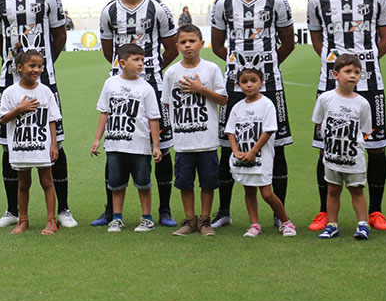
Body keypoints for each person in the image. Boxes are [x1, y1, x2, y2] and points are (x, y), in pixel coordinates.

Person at [307, 0, 386, 231]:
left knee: (376, 146)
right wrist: (339, 69)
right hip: (330, 86)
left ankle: (376, 211)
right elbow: (318, 42)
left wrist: (360, 67)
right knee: (325, 146)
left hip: (370, 85)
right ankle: (323, 212)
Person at [0, 0, 76, 229]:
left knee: (55, 143)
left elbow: (60, 35)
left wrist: (43, 66)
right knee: (8, 144)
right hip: (9, 83)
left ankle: (63, 209)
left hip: (44, 80)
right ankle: (12, 211)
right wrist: (14, 64)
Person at [210, 0, 295, 229]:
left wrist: (265, 70)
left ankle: (276, 213)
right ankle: (224, 211)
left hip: (271, 85)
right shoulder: (223, 4)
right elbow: (218, 44)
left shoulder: (276, 1)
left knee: (278, 145)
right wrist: (241, 72)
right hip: (234, 87)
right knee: (227, 145)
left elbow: (288, 42)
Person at [92, 0, 179, 227]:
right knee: (116, 144)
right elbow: (109, 50)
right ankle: (110, 211)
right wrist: (124, 75)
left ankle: (164, 210)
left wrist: (147, 70)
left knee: (161, 148)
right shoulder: (110, 10)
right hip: (119, 90)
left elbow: (172, 46)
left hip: (152, 85)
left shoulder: (159, 8)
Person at [90, 44, 162, 233]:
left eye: (142, 60)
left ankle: (147, 218)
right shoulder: (110, 84)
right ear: (122, 63)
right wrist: (98, 139)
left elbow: (154, 118)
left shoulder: (146, 88)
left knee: (143, 183)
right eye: (136, 60)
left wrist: (156, 145)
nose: (141, 64)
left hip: (139, 146)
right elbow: (104, 113)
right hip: (115, 144)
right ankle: (116, 218)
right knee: (116, 184)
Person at [165, 24, 226, 236]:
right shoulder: (172, 72)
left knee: (208, 181)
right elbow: (167, 103)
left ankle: (205, 220)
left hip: (207, 139)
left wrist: (201, 89)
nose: (188, 45)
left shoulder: (211, 69)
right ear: (177, 46)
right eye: (183, 42)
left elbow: (223, 99)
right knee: (185, 182)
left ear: (202, 43)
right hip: (183, 141)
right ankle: (190, 220)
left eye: (192, 41)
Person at [224, 67, 296, 237]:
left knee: (267, 193)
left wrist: (253, 151)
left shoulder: (266, 104)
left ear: (261, 82)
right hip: (243, 157)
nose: (249, 85)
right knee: (249, 190)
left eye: (253, 81)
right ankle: (254, 224)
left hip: (260, 157)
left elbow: (268, 131)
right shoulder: (237, 107)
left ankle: (285, 222)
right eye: (244, 82)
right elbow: (231, 131)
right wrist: (235, 151)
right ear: (238, 84)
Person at [0, 49, 60, 235]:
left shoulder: (45, 91)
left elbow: (52, 119)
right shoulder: (10, 92)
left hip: (41, 146)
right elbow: (3, 119)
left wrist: (54, 144)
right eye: (32, 65)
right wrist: (20, 108)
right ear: (19, 68)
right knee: (23, 184)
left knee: (47, 182)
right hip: (21, 147)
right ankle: (23, 220)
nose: (37, 69)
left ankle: (51, 221)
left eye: (40, 66)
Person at [312, 54, 372, 240]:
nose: (353, 75)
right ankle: (332, 225)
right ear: (335, 74)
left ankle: (363, 225)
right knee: (332, 190)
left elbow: (365, 131)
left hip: (354, 159)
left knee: (356, 190)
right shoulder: (325, 98)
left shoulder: (362, 103)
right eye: (348, 71)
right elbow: (319, 122)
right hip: (331, 157)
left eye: (357, 72)